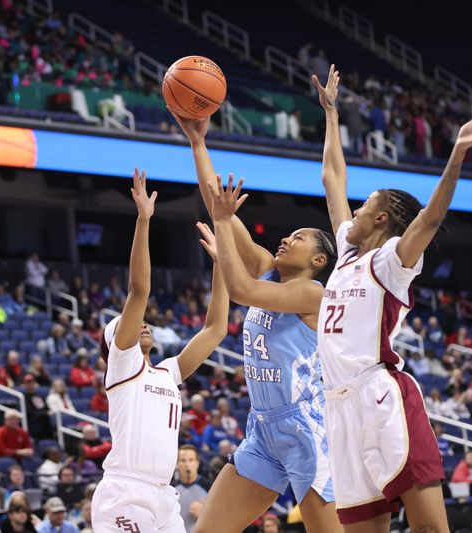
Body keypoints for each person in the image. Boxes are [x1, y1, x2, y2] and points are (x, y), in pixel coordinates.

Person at [311, 64, 472, 530]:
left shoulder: (389, 262)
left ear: (382, 220)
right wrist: (331, 114)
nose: (354, 210)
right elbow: (331, 178)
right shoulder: (345, 249)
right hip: (337, 408)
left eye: (365, 206)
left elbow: (428, 220)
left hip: (381, 397)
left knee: (428, 527)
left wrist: (456, 156)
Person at [173, 107, 340, 532]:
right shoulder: (267, 266)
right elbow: (219, 207)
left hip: (306, 429)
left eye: (298, 238)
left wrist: (226, 227)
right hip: (263, 428)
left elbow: (242, 290)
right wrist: (198, 142)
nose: (286, 238)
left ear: (318, 260)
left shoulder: (311, 293)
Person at [91, 169, 229, 533]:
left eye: (142, 321)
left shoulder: (168, 371)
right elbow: (139, 290)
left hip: (164, 495)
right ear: (114, 343)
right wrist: (143, 221)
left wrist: (222, 267)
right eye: (126, 325)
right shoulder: (123, 364)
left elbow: (215, 331)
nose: (142, 323)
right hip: (125, 490)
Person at [173, 445, 213, 533]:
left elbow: (222, 520)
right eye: (183, 460)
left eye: (191, 460)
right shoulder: (170, 489)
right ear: (177, 464)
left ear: (197, 463)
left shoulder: (211, 487)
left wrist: (204, 516)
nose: (187, 464)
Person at [22, 374, 53, 440]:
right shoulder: (23, 398)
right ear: (25, 385)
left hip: (44, 420)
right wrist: (44, 413)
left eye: (32, 383)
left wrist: (47, 412)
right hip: (33, 421)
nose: (30, 386)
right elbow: (29, 413)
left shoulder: (39, 396)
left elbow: (45, 408)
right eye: (28, 384)